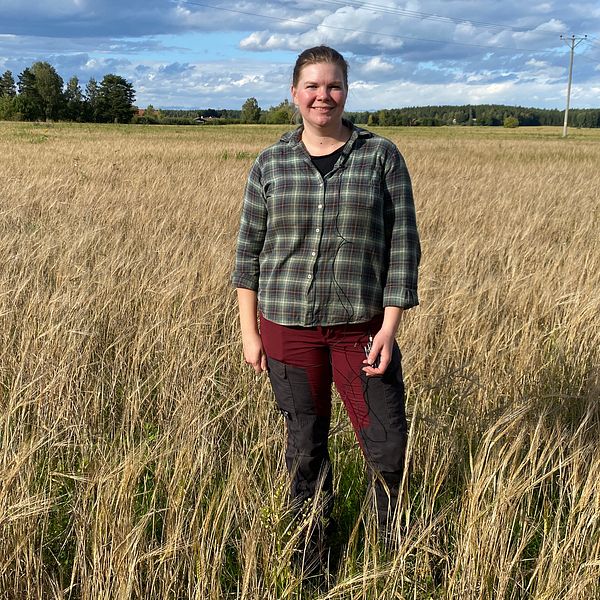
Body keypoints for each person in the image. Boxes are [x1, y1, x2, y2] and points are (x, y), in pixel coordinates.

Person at [231, 45, 420, 575]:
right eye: (312, 86)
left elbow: (402, 245)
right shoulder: (271, 163)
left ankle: (391, 557)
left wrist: (389, 326)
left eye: (333, 85)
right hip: (286, 329)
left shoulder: (380, 155)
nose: (323, 95)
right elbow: (249, 252)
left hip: (361, 330)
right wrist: (250, 334)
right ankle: (312, 565)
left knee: (385, 445)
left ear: (346, 91)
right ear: (294, 94)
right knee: (306, 447)